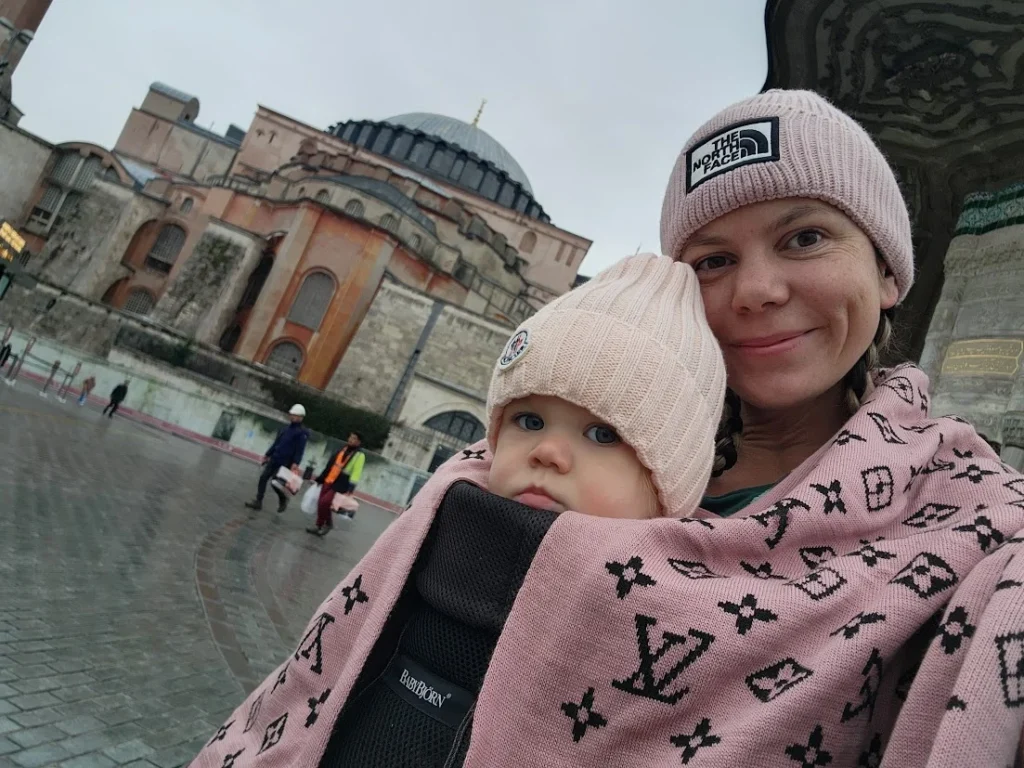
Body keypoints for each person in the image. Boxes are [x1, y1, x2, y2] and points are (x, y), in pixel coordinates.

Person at [193, 91, 1024, 767]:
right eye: (712, 260)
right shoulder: (517, 459)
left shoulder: (976, 530)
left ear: (887, 269)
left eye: (805, 238)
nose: (756, 291)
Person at [190, 254, 727, 767]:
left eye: (602, 434)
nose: (548, 451)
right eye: (530, 421)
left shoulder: (673, 636)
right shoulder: (434, 535)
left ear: (667, 486)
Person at [246, 404, 308, 513]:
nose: (292, 416)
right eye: (292, 414)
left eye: (295, 415)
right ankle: (258, 501)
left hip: (286, 462)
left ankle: (283, 499)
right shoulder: (285, 429)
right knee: (263, 478)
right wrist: (268, 454)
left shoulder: (301, 433)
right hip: (275, 458)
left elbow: (300, 450)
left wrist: (295, 463)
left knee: (276, 483)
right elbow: (276, 443)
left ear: (301, 417)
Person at [307, 431, 367, 536]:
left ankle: (327, 524)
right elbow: (330, 464)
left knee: (325, 502)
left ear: (359, 442)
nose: (351, 440)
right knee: (321, 503)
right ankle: (320, 525)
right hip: (329, 479)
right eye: (350, 437)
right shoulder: (342, 449)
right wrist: (321, 478)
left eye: (354, 438)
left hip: (341, 483)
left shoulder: (360, 455)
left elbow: (356, 472)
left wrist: (351, 488)